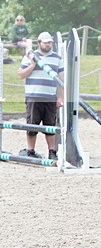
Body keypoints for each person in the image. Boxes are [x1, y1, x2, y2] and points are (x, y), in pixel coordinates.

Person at [17, 32, 64, 160]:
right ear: (39, 43)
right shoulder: (30, 56)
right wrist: (32, 65)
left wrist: (60, 97)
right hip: (33, 96)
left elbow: (61, 80)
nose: (48, 45)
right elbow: (20, 74)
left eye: (49, 42)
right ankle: (31, 151)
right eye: (45, 42)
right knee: (32, 126)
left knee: (50, 126)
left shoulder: (57, 58)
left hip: (50, 97)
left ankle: (52, 152)